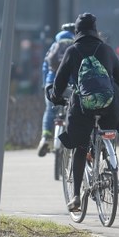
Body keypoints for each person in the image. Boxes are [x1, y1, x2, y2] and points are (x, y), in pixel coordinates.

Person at [47, 13, 119, 212]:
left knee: (80, 146)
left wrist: (55, 96)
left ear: (77, 31)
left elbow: (59, 84)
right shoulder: (106, 49)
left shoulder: (72, 51)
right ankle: (104, 154)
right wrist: (110, 93)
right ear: (95, 30)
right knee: (107, 130)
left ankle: (76, 196)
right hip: (110, 107)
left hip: (82, 108)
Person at [38, 23, 76, 157]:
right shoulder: (74, 44)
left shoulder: (54, 45)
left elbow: (45, 65)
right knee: (73, 109)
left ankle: (45, 138)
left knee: (49, 110)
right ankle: (71, 137)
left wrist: (45, 83)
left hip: (52, 81)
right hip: (69, 82)